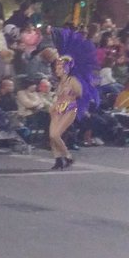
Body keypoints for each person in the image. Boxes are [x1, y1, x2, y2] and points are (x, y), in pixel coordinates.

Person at [48, 29, 99, 170]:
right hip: (56, 108)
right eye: (56, 66)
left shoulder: (73, 81)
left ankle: (68, 157)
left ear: (66, 68)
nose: (56, 69)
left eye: (59, 66)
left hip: (69, 108)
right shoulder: (59, 82)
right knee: (51, 136)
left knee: (55, 134)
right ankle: (58, 159)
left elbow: (81, 94)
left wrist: (70, 94)